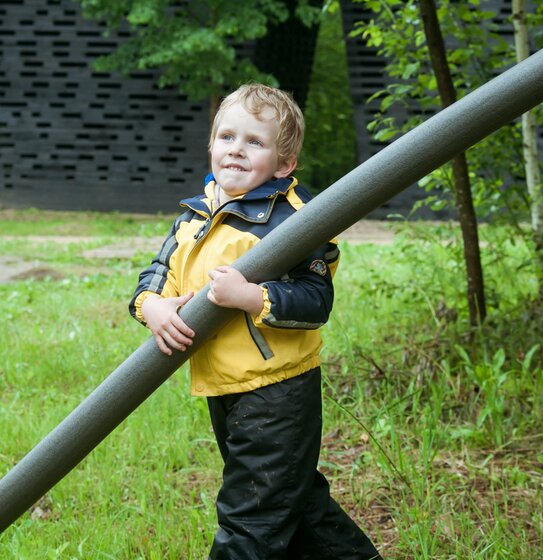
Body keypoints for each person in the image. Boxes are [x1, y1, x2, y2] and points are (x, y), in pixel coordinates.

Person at [129, 83, 381, 560]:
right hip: (226, 388)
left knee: (251, 517)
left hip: (277, 391)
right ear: (211, 145)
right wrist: (152, 305)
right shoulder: (196, 215)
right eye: (227, 136)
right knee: (294, 499)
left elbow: (314, 299)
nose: (236, 150)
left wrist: (252, 296)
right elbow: (157, 274)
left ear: (284, 163)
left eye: (255, 142)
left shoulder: (293, 219)